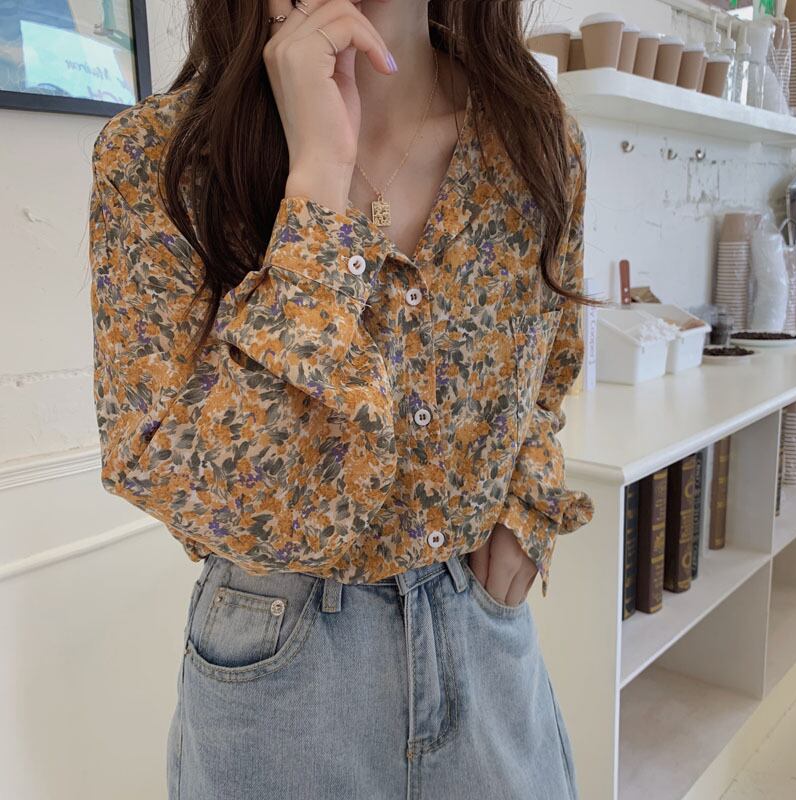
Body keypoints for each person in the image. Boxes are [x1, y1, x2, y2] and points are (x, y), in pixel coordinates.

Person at [88, 0, 598, 797]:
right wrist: (318, 192)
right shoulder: (158, 159)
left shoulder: (533, 137)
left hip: (484, 641)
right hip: (279, 672)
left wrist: (526, 514)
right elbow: (181, 475)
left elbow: (551, 362)